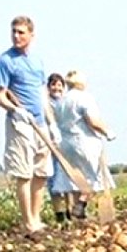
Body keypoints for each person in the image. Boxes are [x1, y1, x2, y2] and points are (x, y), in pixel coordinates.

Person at [0, 15, 59, 233]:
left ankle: (37, 217)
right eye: (14, 31)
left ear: (32, 34)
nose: (16, 36)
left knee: (42, 172)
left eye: (21, 32)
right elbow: (1, 96)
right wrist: (15, 110)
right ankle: (28, 221)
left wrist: (52, 123)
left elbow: (42, 95)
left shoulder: (38, 61)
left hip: (40, 124)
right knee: (24, 173)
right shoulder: (5, 61)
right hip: (20, 124)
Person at [51, 70, 115, 220]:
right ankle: (81, 204)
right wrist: (107, 131)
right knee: (94, 178)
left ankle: (78, 215)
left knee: (75, 180)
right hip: (85, 142)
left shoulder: (61, 101)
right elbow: (92, 121)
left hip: (66, 144)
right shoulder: (84, 98)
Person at [44, 73, 76, 224]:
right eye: (53, 85)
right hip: (51, 148)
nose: (56, 88)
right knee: (54, 181)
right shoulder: (45, 104)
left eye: (59, 85)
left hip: (67, 147)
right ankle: (59, 215)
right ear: (48, 87)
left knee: (69, 180)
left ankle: (71, 212)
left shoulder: (67, 103)